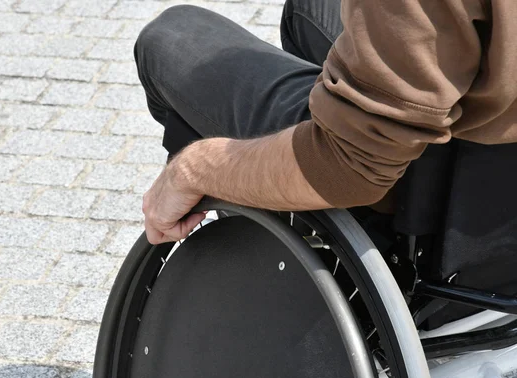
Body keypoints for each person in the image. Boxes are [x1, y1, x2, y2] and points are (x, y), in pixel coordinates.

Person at [134, 0, 517, 245]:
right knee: (309, 10)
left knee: (172, 36)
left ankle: (276, 257)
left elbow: (349, 167)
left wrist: (194, 169)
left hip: (435, 191)